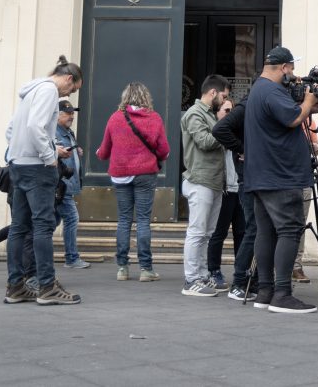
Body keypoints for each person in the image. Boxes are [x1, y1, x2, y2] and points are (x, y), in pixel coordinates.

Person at [244, 46, 318, 314]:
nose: (293, 75)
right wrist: (308, 102)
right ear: (283, 68)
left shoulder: (259, 89)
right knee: (289, 230)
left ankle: (265, 291)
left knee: (266, 232)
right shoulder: (272, 91)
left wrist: (308, 101)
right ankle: (283, 294)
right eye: (291, 69)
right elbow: (293, 118)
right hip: (280, 176)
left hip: (262, 176)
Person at [4, 55, 83, 305]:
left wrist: (30, 150)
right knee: (43, 225)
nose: (69, 93)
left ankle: (15, 286)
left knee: (19, 227)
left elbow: (11, 130)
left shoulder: (31, 90)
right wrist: (50, 156)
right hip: (38, 168)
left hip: (18, 164)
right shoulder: (49, 91)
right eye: (73, 88)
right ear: (68, 78)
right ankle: (47, 286)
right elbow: (36, 127)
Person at [97, 81, 170, 284]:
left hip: (120, 174)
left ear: (125, 97)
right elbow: (163, 150)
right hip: (146, 173)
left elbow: (104, 150)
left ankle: (122, 268)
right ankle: (146, 269)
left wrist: (100, 153)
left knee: (124, 220)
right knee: (143, 220)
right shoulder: (154, 118)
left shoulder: (115, 118)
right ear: (146, 97)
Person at [180, 74, 231, 297]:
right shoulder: (194, 114)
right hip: (200, 181)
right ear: (213, 93)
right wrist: (224, 124)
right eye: (224, 96)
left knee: (207, 233)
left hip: (213, 181)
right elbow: (206, 142)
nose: (225, 100)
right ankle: (191, 280)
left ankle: (201, 276)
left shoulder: (208, 114)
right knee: (197, 231)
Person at [206, 97, 247, 292]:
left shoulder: (237, 133)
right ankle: (214, 270)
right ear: (217, 113)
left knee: (242, 232)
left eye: (232, 111)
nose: (229, 114)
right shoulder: (219, 134)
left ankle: (242, 271)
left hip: (239, 188)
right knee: (219, 232)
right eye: (226, 110)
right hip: (223, 190)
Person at [55, 99, 89, 270]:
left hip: (66, 184)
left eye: (72, 113)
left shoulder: (67, 132)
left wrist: (77, 151)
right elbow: (51, 153)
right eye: (67, 113)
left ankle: (30, 252)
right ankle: (71, 258)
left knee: (50, 222)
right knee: (71, 218)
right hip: (61, 184)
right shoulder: (54, 132)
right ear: (57, 115)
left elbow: (67, 153)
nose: (72, 116)